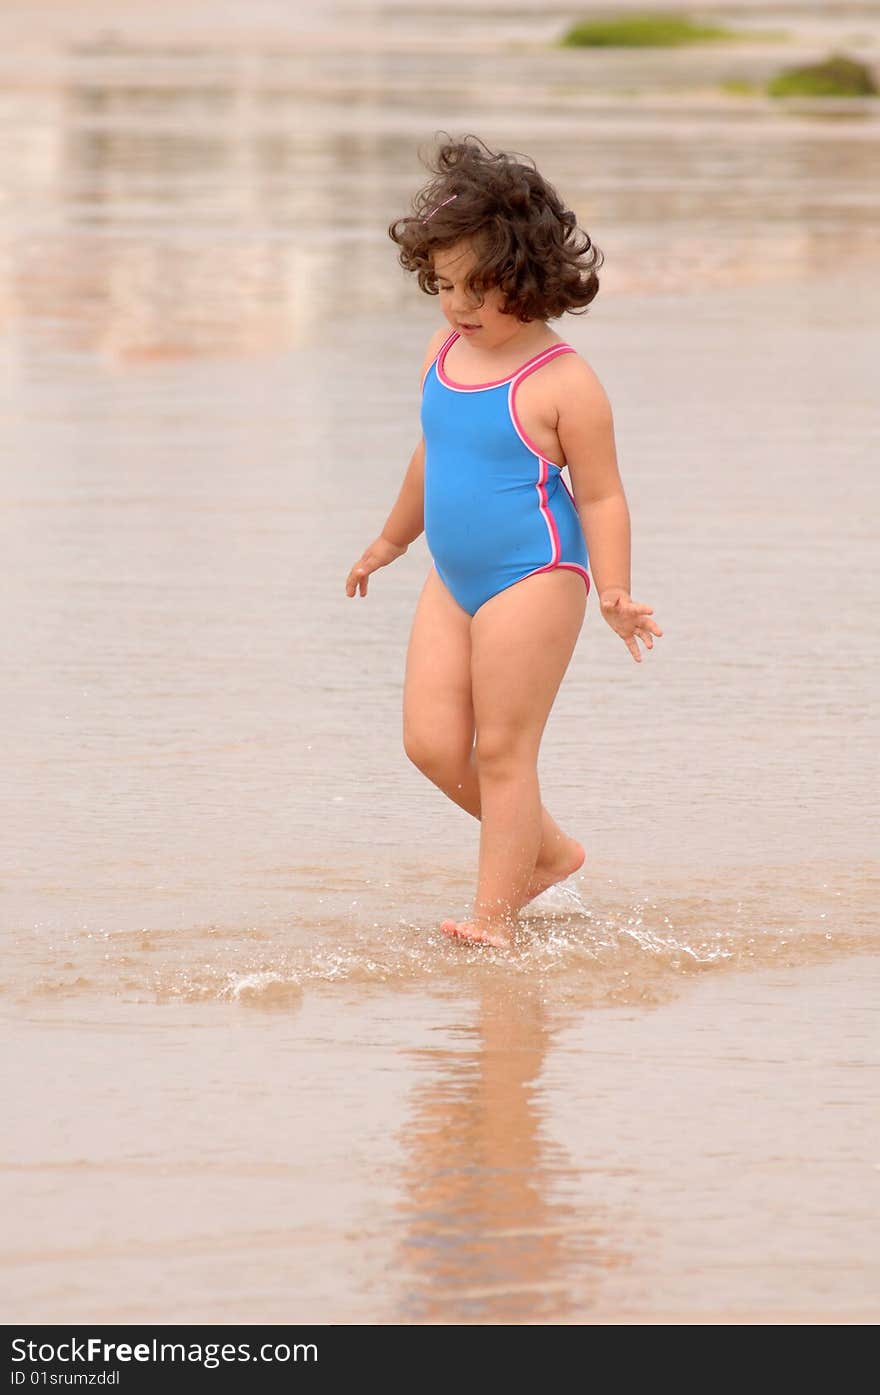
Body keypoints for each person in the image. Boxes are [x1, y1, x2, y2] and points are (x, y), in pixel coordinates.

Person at [345, 135, 663, 949]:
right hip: (453, 577)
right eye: (444, 284)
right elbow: (434, 452)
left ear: (530, 277)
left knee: (503, 753)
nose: (457, 305)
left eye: (478, 289)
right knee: (429, 742)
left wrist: (616, 592)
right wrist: (391, 538)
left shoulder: (564, 382)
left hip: (535, 575)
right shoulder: (443, 351)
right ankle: (548, 851)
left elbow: (601, 494)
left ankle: (493, 918)